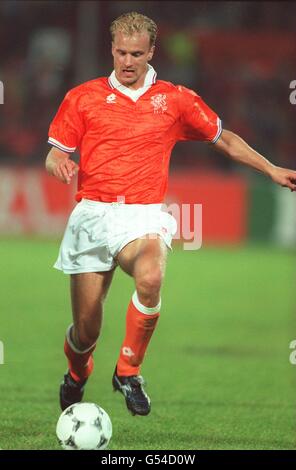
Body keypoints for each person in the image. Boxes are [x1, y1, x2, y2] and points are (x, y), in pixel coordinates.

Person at [45, 12, 296, 417]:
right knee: (86, 331)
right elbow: (56, 151)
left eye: (137, 54)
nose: (127, 61)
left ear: (151, 52)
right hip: (92, 215)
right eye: (121, 52)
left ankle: (128, 371)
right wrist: (57, 162)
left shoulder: (175, 99)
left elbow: (224, 139)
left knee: (151, 275)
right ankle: (77, 373)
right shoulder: (83, 96)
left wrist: (271, 169)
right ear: (111, 48)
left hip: (143, 214)